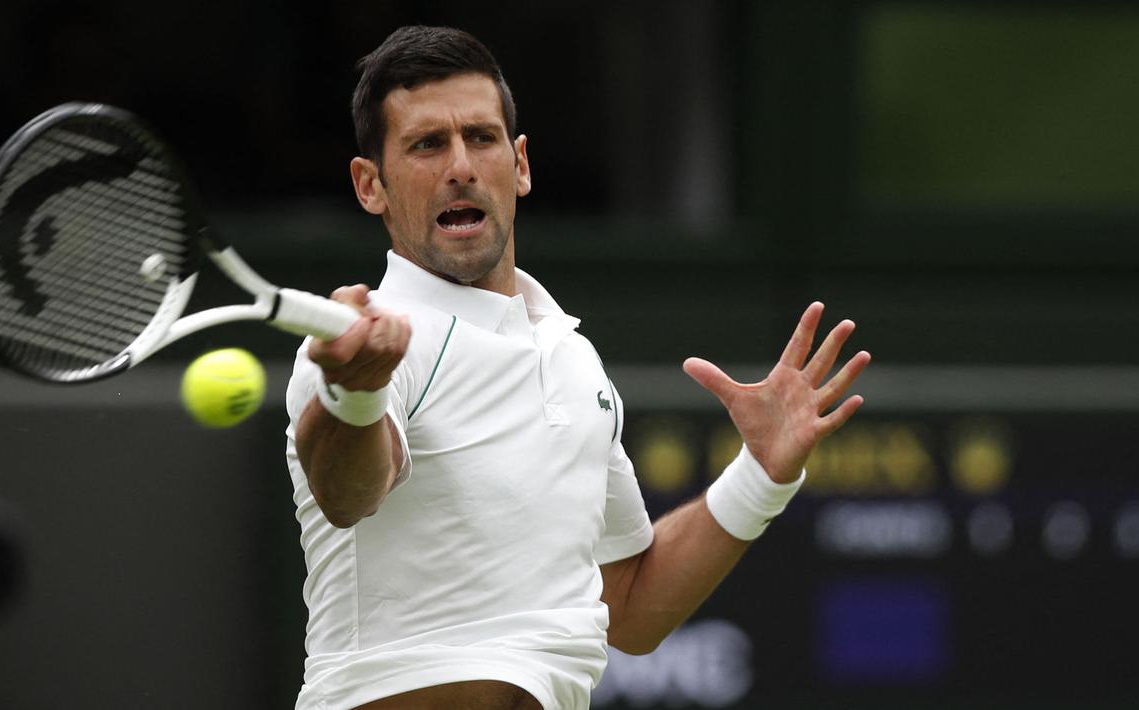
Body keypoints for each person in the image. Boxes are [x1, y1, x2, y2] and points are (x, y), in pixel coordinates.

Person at [284, 25, 870, 710]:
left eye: (480, 137)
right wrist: (355, 393)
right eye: (425, 145)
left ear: (520, 164)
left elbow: (629, 606)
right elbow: (348, 495)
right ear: (369, 185)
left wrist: (760, 474)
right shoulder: (366, 345)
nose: (460, 167)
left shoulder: (571, 357)